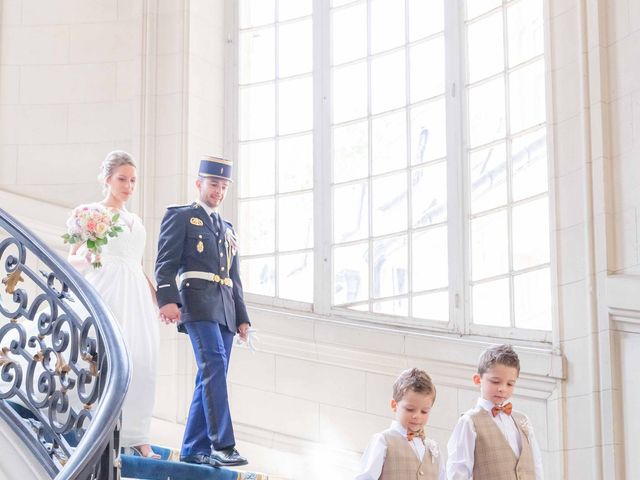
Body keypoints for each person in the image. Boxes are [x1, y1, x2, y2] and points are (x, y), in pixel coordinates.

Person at [155, 155, 250, 468]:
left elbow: (234, 278)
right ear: (199, 184)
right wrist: (168, 299)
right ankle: (223, 444)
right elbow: (165, 262)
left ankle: (195, 448)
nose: (218, 191)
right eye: (213, 184)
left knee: (211, 374)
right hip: (196, 303)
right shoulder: (181, 216)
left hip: (224, 309)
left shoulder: (228, 228)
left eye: (223, 186)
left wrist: (242, 318)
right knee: (213, 366)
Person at [67, 151, 160, 459]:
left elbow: (138, 263)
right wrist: (90, 258)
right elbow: (73, 256)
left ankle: (136, 433)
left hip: (135, 290)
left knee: (142, 359)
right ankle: (91, 422)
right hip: (106, 284)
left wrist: (156, 296)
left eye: (133, 180)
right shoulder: (90, 212)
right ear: (107, 179)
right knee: (100, 355)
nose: (128, 186)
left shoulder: (137, 220)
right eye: (122, 179)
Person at [446, 344, 544, 480]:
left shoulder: (523, 420)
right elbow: (458, 472)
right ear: (478, 379)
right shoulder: (469, 422)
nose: (502, 389)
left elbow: (536, 464)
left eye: (509, 384)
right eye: (495, 382)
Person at [356, 368, 445, 480]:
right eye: (410, 409)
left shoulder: (433, 448)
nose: (417, 416)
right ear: (394, 405)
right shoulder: (383, 442)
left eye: (424, 411)